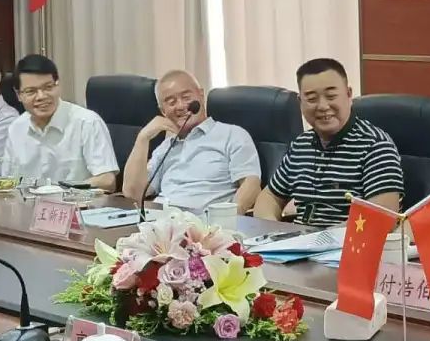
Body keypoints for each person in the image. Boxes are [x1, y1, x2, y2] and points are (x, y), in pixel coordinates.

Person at [253, 58, 404, 227]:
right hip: (297, 240)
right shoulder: (301, 144)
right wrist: (274, 229)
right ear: (300, 102)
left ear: (349, 95)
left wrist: (320, 238)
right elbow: (269, 197)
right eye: (312, 99)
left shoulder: (375, 146)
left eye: (331, 96)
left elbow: (381, 219)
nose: (323, 106)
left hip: (345, 242)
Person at [121, 69, 262, 214]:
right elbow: (133, 193)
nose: (181, 106)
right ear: (163, 111)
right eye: (171, 102)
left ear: (201, 95)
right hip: (161, 219)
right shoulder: (166, 147)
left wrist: (228, 217)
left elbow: (251, 184)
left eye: (186, 97)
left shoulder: (232, 135)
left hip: (204, 221)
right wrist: (142, 139)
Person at [3, 54, 118, 191]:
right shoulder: (16, 128)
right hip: (28, 202)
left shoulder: (87, 122)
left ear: (58, 85)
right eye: (31, 91)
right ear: (18, 95)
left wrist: (62, 191)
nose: (41, 96)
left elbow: (107, 180)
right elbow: (8, 180)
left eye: (48, 87)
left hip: (77, 202)